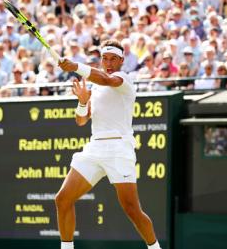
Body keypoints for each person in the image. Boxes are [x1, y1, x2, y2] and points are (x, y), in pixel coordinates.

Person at [57, 40, 161, 249]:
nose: (109, 62)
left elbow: (105, 79)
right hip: (94, 148)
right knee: (62, 199)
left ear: (122, 60)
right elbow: (81, 120)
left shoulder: (123, 79)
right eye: (105, 58)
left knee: (132, 209)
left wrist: (76, 67)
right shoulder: (95, 86)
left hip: (119, 149)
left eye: (113, 58)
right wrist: (83, 101)